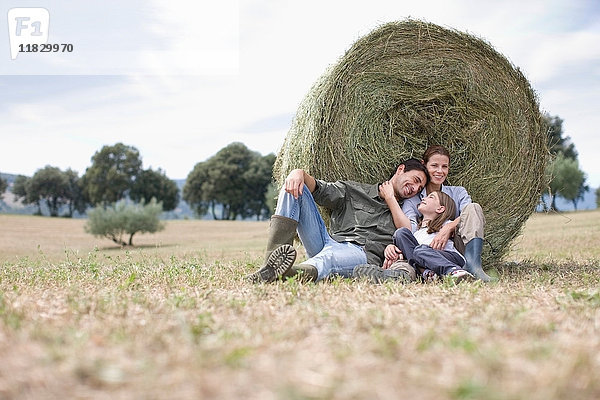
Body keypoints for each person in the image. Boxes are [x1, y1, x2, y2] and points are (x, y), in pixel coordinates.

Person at [246, 158, 429, 283]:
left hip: (360, 254)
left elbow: (406, 231)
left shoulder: (403, 215)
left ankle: (289, 274)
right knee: (294, 187)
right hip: (327, 241)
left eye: (419, 187)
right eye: (414, 180)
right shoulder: (354, 191)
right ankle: (271, 263)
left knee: (329, 258)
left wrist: (390, 198)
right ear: (400, 169)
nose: (414, 188)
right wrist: (298, 173)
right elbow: (320, 189)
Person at [353, 145, 493, 282]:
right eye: (434, 166)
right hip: (423, 250)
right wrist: (395, 246)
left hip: (454, 247)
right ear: (424, 165)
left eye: (445, 166)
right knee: (407, 242)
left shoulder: (457, 192)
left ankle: (473, 266)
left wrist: (448, 228)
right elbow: (409, 231)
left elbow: (469, 216)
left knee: (473, 207)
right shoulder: (414, 199)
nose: (440, 171)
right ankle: (400, 275)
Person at [385, 191, 475, 283]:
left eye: (431, 197)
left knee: (420, 250)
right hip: (424, 262)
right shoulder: (415, 233)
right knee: (401, 233)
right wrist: (392, 248)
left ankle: (453, 271)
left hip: (449, 258)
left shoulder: (446, 225)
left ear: (440, 209)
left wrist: (450, 227)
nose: (423, 198)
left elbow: (467, 215)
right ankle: (427, 273)